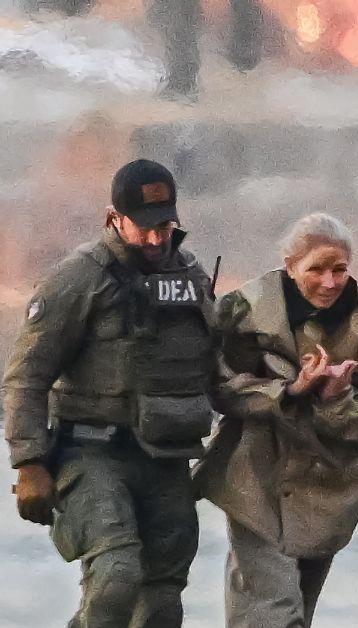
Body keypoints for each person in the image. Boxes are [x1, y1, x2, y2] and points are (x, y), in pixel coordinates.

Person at [4, 159, 217, 627]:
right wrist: (29, 461)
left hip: (165, 455)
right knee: (117, 575)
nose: (158, 238)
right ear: (113, 219)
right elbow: (26, 376)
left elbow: (212, 367)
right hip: (90, 451)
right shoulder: (80, 278)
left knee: (163, 597)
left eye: (165, 225)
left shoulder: (191, 278)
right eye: (144, 227)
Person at [192, 212, 358, 627]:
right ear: (290, 266)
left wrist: (337, 400)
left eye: (339, 270)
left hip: (328, 486)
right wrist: (287, 391)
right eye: (316, 270)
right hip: (257, 479)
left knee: (298, 612)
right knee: (271, 614)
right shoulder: (245, 310)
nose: (329, 283)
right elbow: (214, 383)